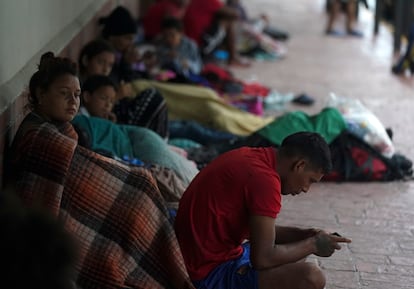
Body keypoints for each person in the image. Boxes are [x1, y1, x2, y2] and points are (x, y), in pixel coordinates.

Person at [8, 52, 194, 289]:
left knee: (146, 195)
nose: (73, 102)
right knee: (140, 195)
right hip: (52, 226)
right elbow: (76, 177)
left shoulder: (59, 127)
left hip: (70, 211)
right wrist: (133, 180)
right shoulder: (40, 137)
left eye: (76, 95)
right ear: (40, 94)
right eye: (64, 94)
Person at [174, 131, 352, 289]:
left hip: (206, 255)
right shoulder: (265, 181)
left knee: (294, 252)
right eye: (311, 180)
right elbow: (262, 259)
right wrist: (313, 244)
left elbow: (259, 232)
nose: (306, 189)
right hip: (207, 273)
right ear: (300, 166)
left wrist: (308, 234)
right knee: (311, 277)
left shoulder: (253, 157)